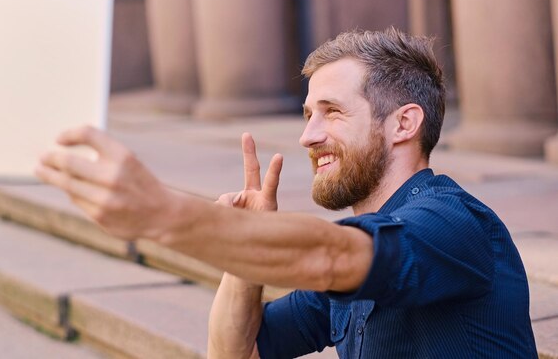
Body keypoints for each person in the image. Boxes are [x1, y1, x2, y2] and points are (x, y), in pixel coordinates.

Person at [36, 28, 537, 358]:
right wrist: (245, 252)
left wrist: (165, 214)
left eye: (332, 112)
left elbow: (329, 256)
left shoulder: (453, 224)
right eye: (307, 115)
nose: (308, 136)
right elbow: (235, 353)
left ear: (404, 123)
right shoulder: (346, 265)